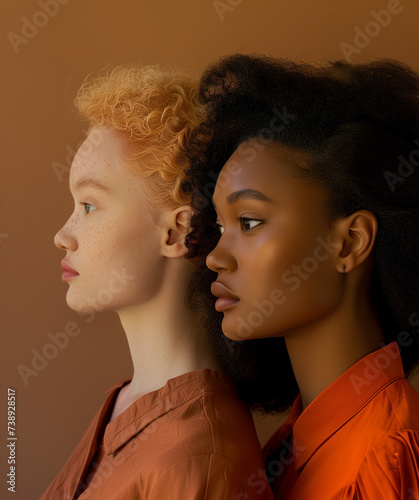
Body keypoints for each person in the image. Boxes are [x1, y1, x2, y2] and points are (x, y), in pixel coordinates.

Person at [184, 54, 419, 499]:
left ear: (349, 242)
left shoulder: (392, 459)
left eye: (249, 222)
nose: (215, 257)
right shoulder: (290, 446)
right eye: (219, 225)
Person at [42, 64, 294, 500]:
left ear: (177, 232)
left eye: (89, 205)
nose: (61, 236)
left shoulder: (202, 459)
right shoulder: (123, 402)